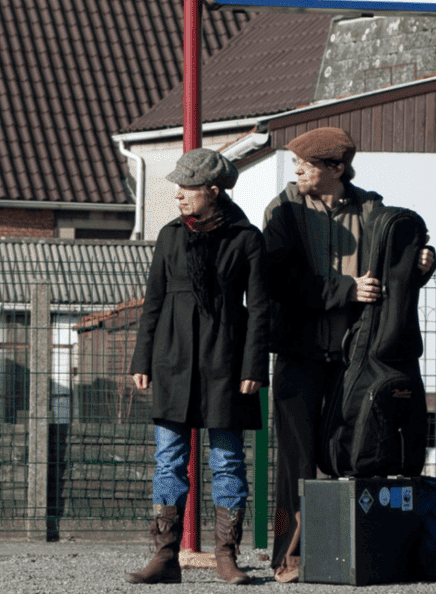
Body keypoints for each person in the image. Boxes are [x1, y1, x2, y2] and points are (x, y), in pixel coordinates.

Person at [262, 127, 436, 583]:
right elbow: (279, 280)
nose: (296, 170)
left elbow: (403, 258)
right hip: (298, 356)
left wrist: (424, 262)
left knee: (345, 455)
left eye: (307, 164)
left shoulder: (373, 209)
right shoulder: (281, 211)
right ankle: (287, 552)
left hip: (353, 361)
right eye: (295, 163)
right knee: (292, 465)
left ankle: (345, 551)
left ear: (336, 169)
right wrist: (346, 290)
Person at [126, 148, 269, 586]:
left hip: (226, 363)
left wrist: (253, 366)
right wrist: (142, 358)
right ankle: (165, 556)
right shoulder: (170, 235)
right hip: (173, 361)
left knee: (227, 461)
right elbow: (153, 301)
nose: (178, 195)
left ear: (213, 190)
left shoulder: (246, 238)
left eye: (187, 187)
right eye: (178, 186)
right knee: (168, 459)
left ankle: (227, 556)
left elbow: (261, 309)